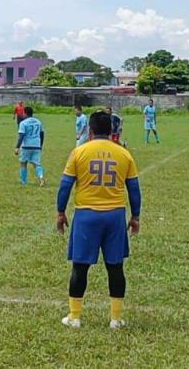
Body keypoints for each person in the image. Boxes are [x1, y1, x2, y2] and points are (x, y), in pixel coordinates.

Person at [56, 110, 142, 329]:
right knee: (115, 267)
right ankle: (115, 319)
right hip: (114, 216)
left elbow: (65, 185)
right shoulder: (124, 154)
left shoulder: (79, 152)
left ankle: (74, 317)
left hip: (86, 216)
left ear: (90, 130)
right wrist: (135, 216)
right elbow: (134, 189)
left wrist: (60, 212)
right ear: (112, 130)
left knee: (80, 267)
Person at [14, 106, 45, 186]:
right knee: (37, 164)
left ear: (25, 113)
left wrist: (17, 147)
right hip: (37, 145)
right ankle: (41, 178)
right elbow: (42, 134)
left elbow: (21, 136)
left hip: (26, 146)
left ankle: (23, 181)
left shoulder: (23, 123)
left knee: (23, 163)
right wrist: (40, 145)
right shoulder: (38, 122)